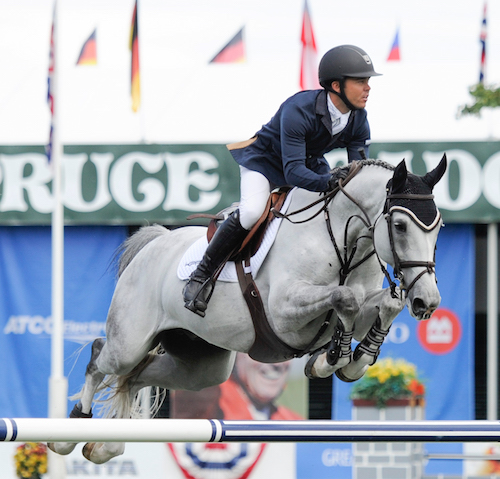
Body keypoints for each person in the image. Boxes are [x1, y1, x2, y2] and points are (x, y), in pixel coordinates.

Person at [183, 44, 382, 317]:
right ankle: (201, 274)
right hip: (265, 163)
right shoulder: (298, 109)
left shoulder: (358, 117)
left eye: (368, 81)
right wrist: (329, 181)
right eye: (360, 81)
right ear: (336, 85)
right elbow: (293, 174)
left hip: (309, 162)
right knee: (252, 212)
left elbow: (357, 168)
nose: (368, 87)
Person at [171, 353, 303, 420]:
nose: (276, 363)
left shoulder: (294, 422)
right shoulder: (208, 401)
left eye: (286, 352)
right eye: (263, 351)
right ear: (235, 355)